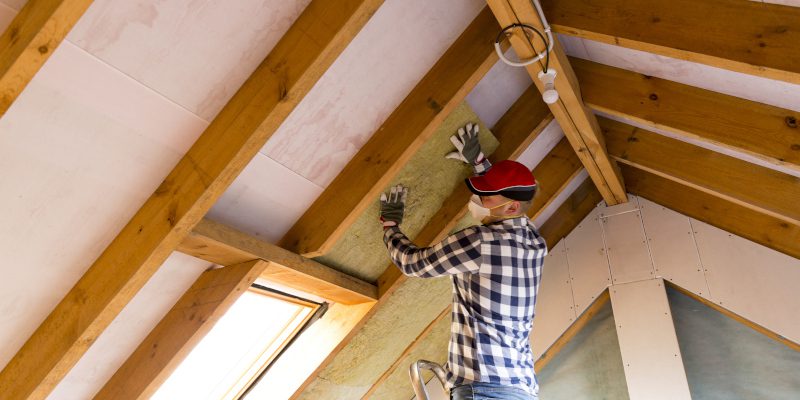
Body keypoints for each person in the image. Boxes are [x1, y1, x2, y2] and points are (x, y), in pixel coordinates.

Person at [379, 123, 547, 400]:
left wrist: (390, 226)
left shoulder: (481, 242)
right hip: (519, 386)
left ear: (512, 207)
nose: (477, 199)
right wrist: (480, 164)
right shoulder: (535, 243)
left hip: (484, 389)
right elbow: (507, 198)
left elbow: (413, 264)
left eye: (485, 195)